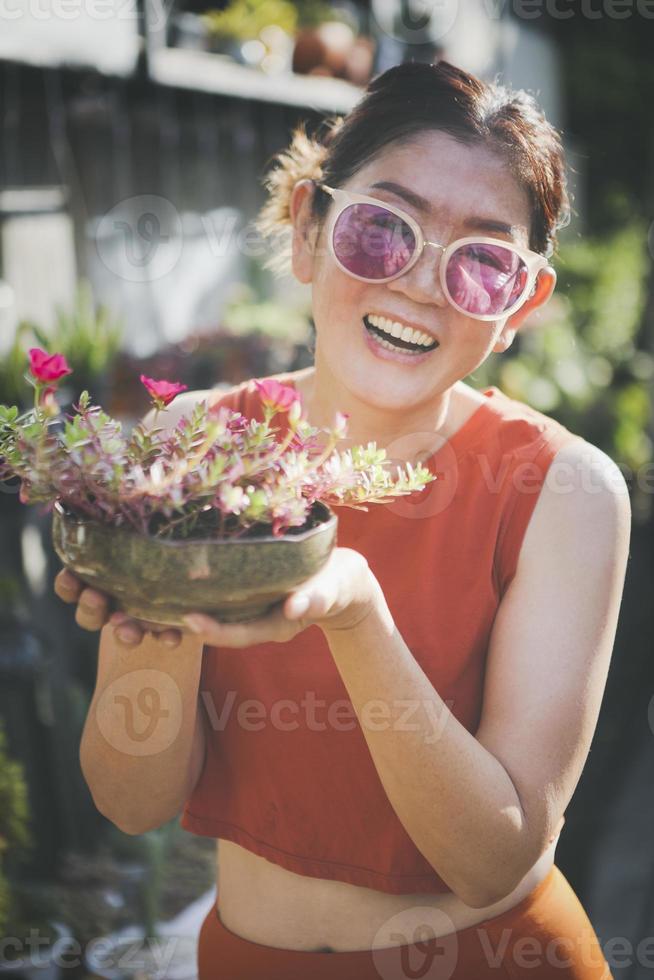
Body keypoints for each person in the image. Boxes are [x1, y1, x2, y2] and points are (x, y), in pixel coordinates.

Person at [55, 61, 629, 979]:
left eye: (482, 261)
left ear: (520, 306)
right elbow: (131, 799)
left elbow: (494, 856)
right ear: (306, 233)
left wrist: (358, 615)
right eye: (381, 229)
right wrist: (152, 613)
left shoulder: (565, 490)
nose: (420, 286)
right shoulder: (192, 445)